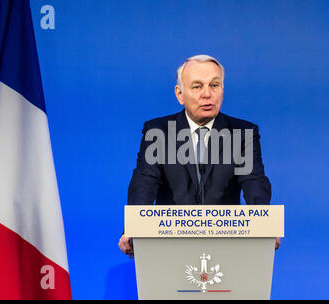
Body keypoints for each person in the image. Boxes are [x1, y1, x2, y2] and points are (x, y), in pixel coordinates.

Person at [119, 55, 280, 256]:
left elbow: (254, 182)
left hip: (226, 248)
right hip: (169, 247)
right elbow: (145, 181)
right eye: (197, 87)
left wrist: (264, 225)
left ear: (223, 90)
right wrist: (135, 227)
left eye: (214, 85)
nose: (207, 94)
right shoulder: (158, 132)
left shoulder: (241, 133)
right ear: (180, 94)